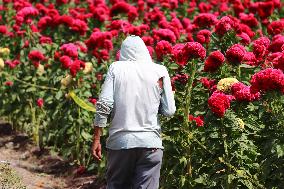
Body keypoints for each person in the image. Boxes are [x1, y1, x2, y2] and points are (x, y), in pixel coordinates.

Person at [92, 35, 176, 189]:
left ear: (123, 52)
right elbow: (170, 110)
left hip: (121, 143)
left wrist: (97, 138)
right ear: (145, 51)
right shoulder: (160, 70)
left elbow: (104, 104)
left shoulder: (116, 68)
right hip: (151, 144)